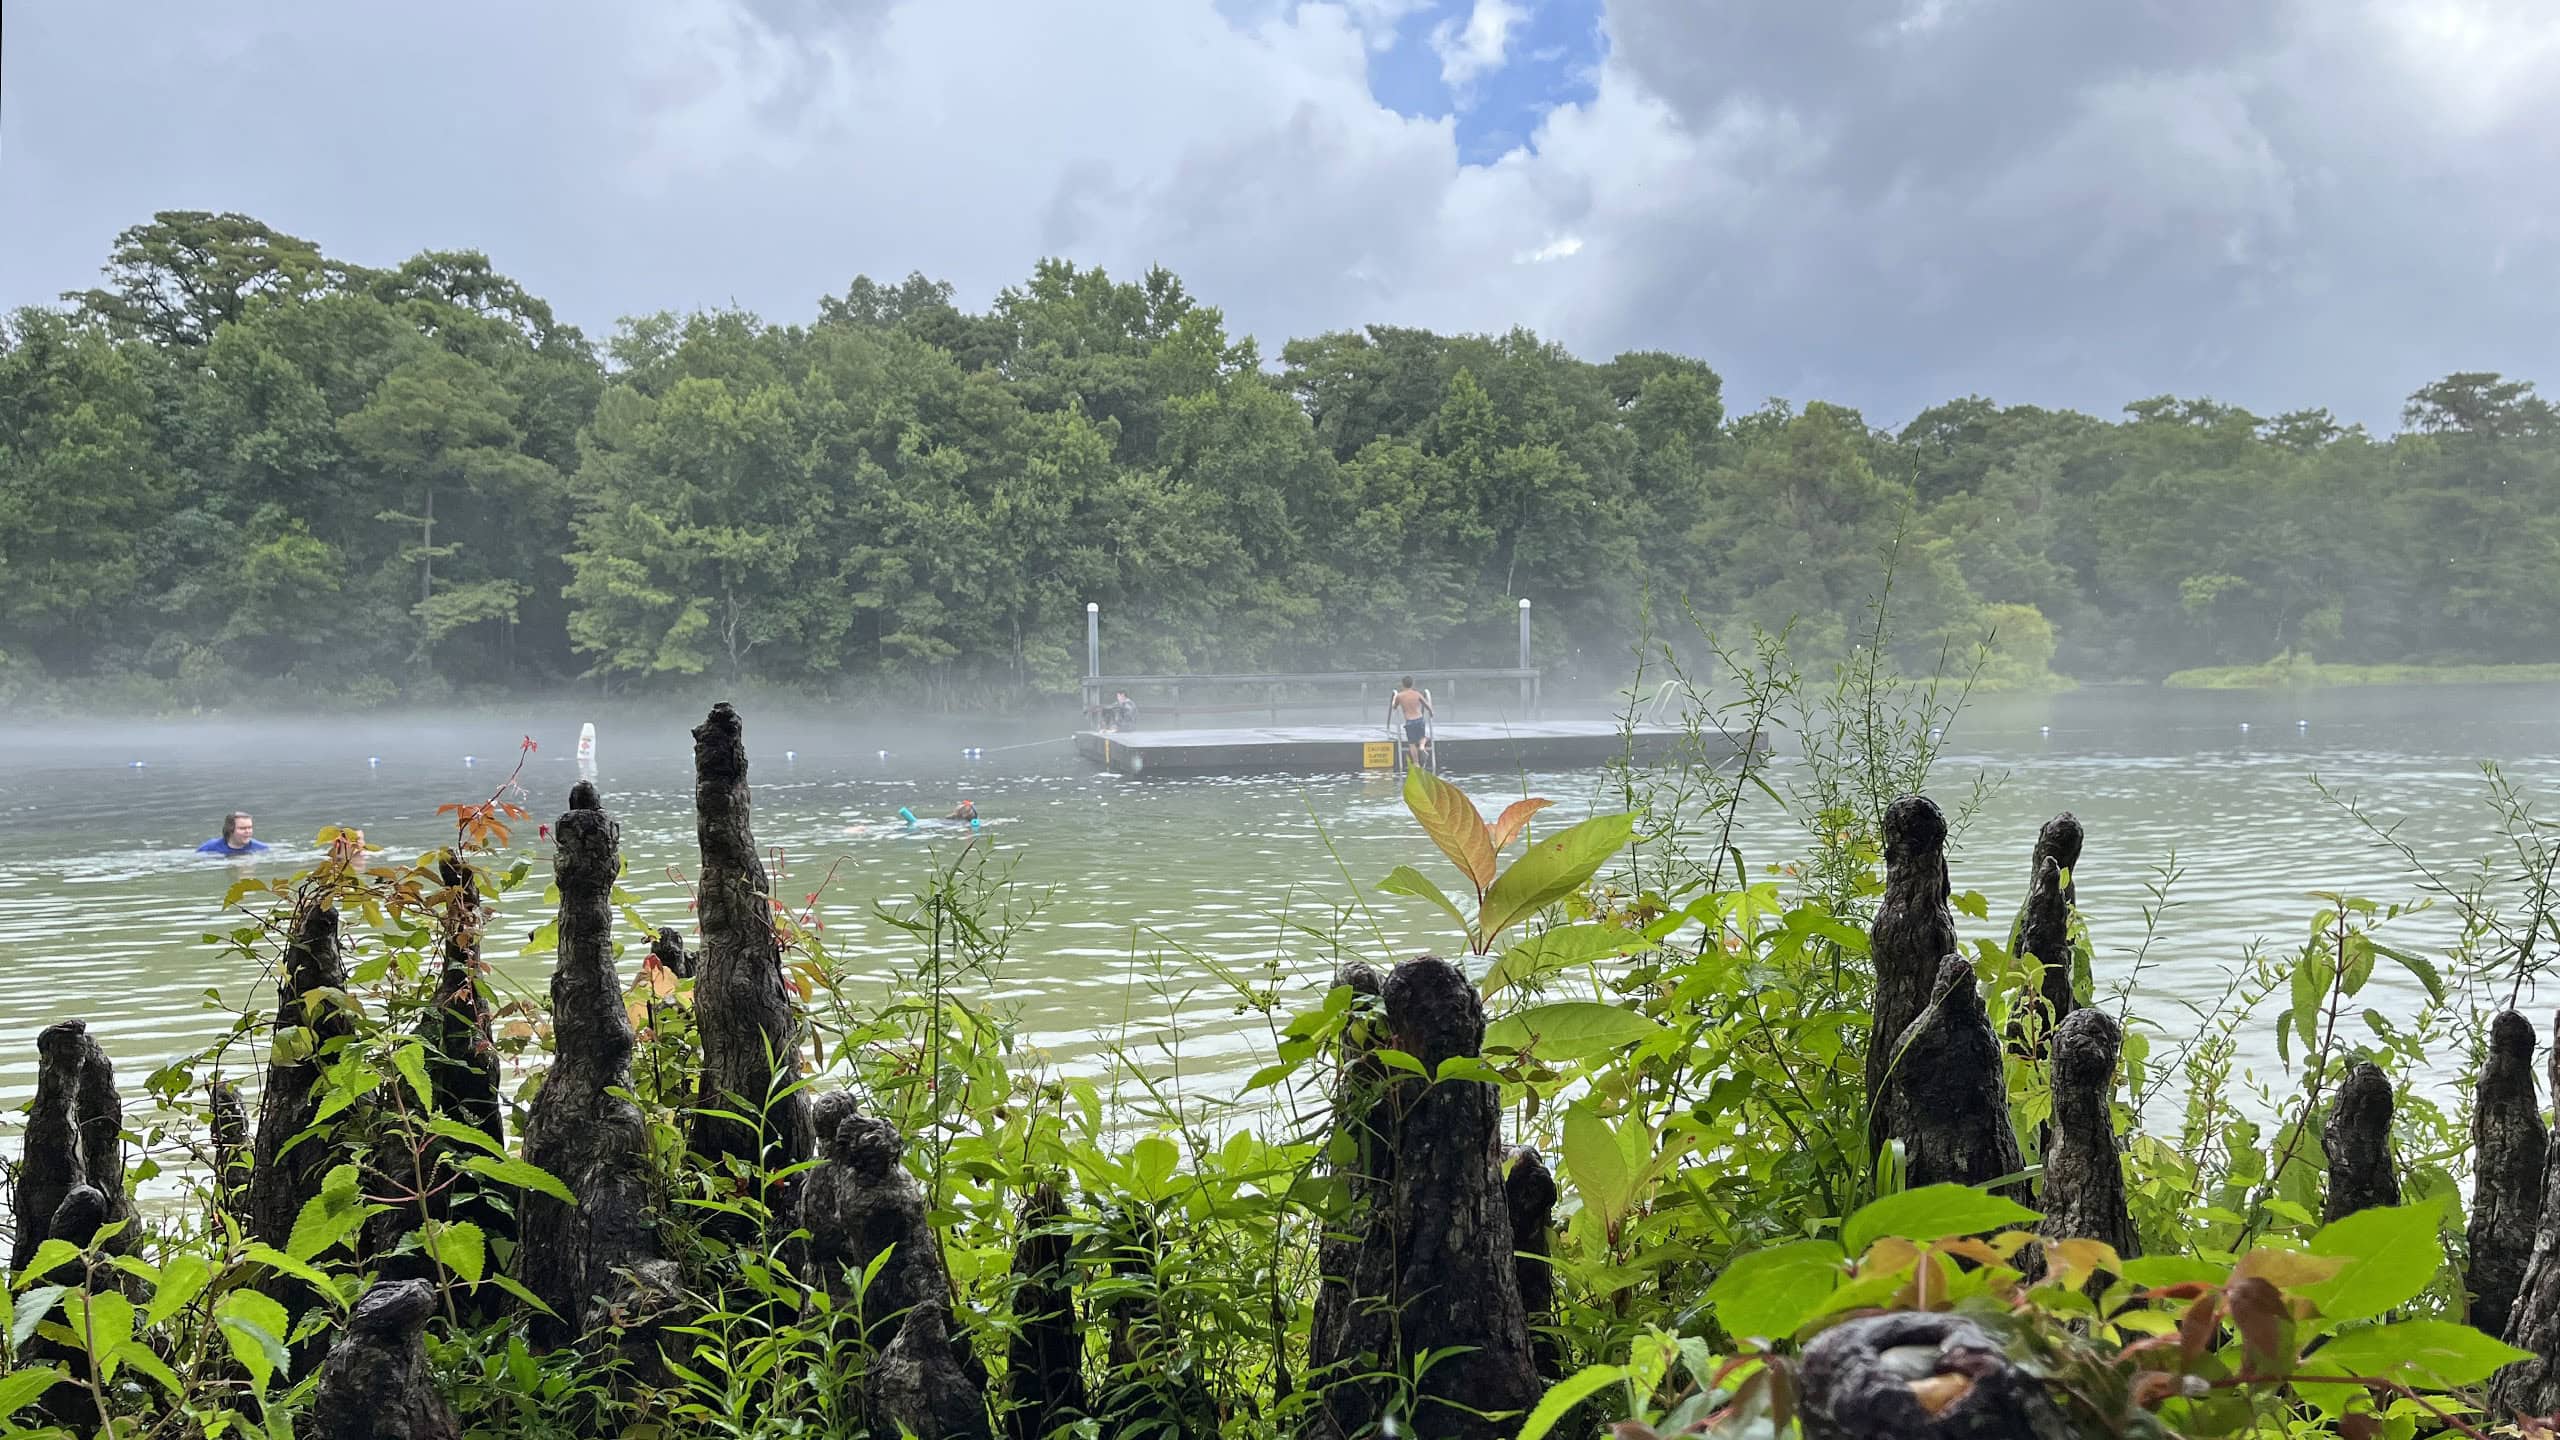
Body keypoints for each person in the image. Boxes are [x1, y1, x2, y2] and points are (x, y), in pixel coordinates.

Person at [1386, 676, 1434, 769]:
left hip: (1410, 721)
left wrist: (1394, 700)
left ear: (1402, 684)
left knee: (1412, 743)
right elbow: (1427, 705)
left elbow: (1394, 707)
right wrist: (1431, 713)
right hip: (1419, 719)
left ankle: (1416, 763)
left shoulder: (1399, 696)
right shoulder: (1417, 694)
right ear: (1413, 684)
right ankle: (1421, 747)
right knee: (1423, 737)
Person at [196, 812, 270, 857]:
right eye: (242, 828)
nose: (248, 831)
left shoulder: (261, 848)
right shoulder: (209, 848)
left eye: (250, 827)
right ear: (230, 829)